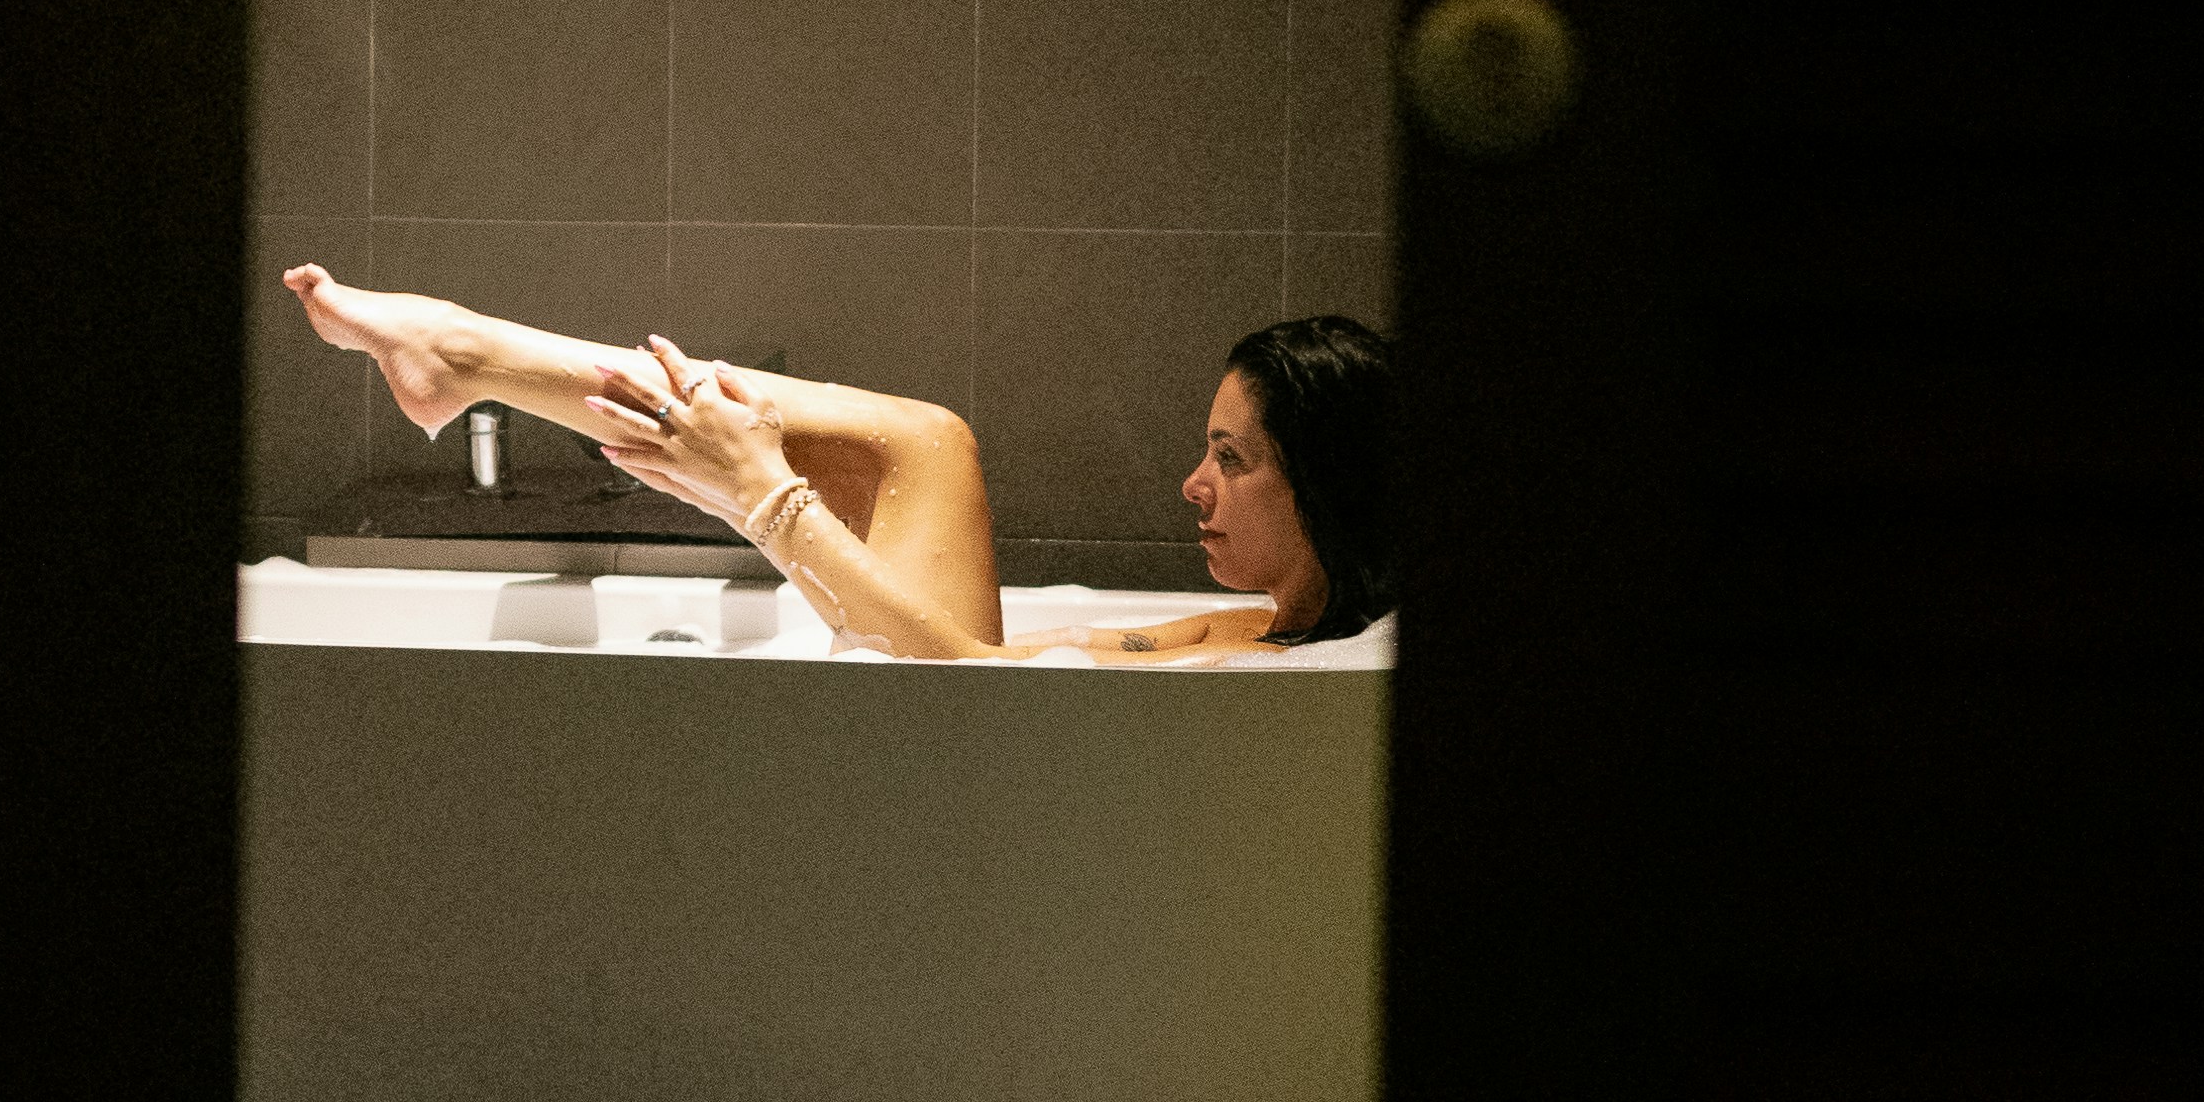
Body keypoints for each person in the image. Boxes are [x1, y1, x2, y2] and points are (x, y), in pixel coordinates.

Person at [282, 268, 1393, 665]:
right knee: (930, 441)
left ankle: (466, 351)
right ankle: (464, 351)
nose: (1193, 488)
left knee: (926, 444)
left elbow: (960, 676)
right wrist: (753, 490)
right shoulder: (1287, 630)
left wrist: (766, 500)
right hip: (948, 721)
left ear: (1331, 488)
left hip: (943, 744)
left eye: (1232, 460)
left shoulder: (1299, 665)